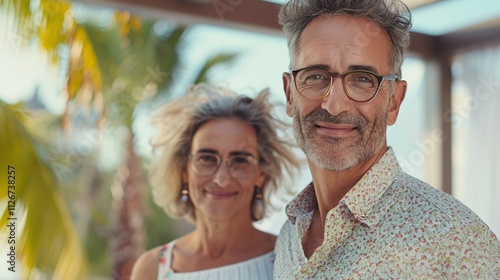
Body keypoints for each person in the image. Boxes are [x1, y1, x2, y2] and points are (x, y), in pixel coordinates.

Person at [274, 0, 500, 278]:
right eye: (316, 76)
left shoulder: (455, 238)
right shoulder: (287, 237)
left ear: (394, 101)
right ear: (289, 94)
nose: (334, 104)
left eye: (362, 79)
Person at [130, 83, 301, 280]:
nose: (221, 179)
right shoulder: (151, 270)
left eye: (239, 161)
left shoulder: (291, 261)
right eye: (207, 158)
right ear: (184, 169)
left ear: (261, 173)